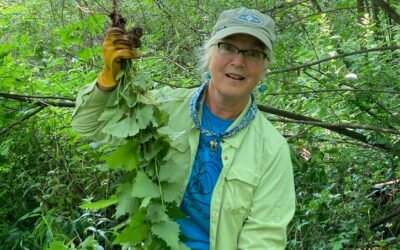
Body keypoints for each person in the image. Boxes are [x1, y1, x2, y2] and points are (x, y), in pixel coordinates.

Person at [72, 7, 295, 250]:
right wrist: (108, 77)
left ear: (264, 69)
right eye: (228, 47)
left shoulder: (271, 149)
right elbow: (87, 124)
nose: (238, 61)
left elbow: (264, 240)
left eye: (253, 53)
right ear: (209, 54)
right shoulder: (163, 108)